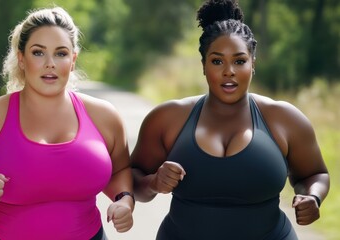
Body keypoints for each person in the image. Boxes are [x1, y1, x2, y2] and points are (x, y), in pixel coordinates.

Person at [0, 6, 134, 240]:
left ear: (73, 60)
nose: (50, 63)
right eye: (38, 52)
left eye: (61, 53)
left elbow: (120, 170)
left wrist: (125, 200)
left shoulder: (104, 117)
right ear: (21, 58)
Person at [131, 0, 330, 239]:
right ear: (203, 65)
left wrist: (313, 196)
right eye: (217, 61)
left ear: (252, 64)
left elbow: (315, 174)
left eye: (239, 61)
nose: (229, 71)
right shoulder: (167, 119)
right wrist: (154, 182)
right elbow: (132, 179)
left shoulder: (285, 119)